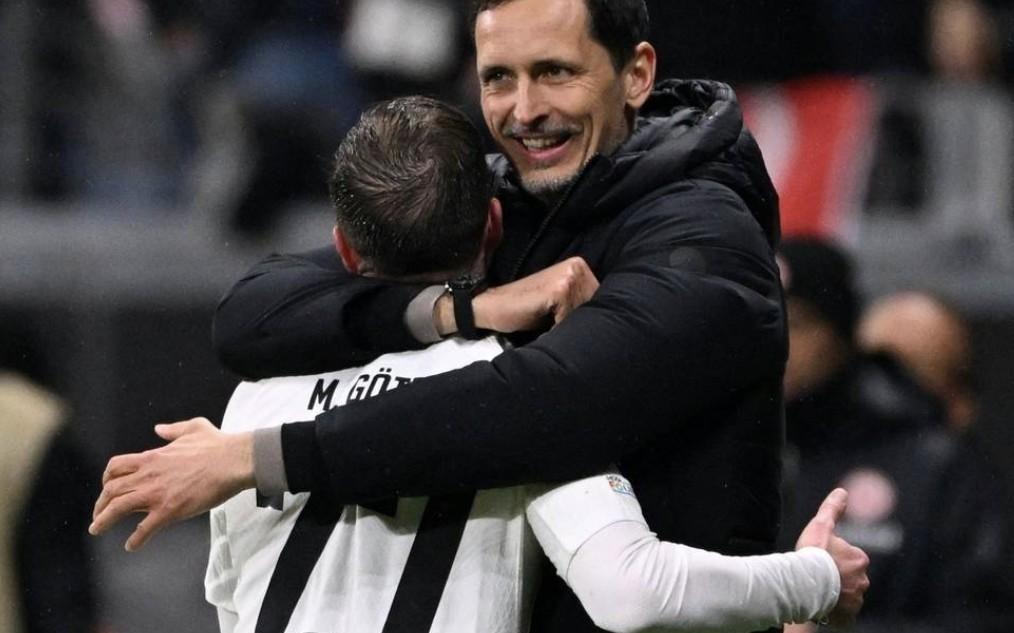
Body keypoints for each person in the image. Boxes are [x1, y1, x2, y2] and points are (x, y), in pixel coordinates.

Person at [94, 2, 805, 631]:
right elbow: (254, 312)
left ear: (637, 74)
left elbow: (544, 404)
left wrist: (258, 458)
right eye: (499, 78)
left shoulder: (707, 239)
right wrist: (460, 307)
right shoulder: (510, 195)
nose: (524, 110)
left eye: (555, 72)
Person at [199, 96, 865, 633]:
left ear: (343, 249)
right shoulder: (516, 388)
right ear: (494, 224)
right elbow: (633, 591)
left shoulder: (251, 406)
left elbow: (232, 605)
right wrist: (816, 578)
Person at [777, 238, 1008, 633]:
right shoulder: (725, 447)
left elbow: (983, 619)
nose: (777, 339)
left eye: (796, 323)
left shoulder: (933, 460)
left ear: (838, 334)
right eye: (761, 317)